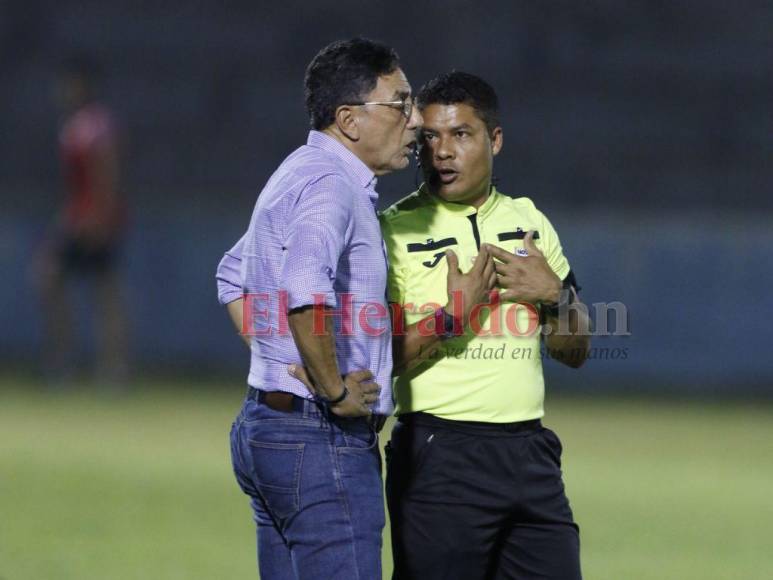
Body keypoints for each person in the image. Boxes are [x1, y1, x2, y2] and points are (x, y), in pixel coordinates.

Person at [219, 38, 421, 579]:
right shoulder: (333, 185)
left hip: (270, 427)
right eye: (400, 103)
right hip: (319, 438)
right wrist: (331, 389)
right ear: (349, 120)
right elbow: (306, 287)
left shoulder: (298, 169)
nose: (416, 119)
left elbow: (233, 277)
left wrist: (278, 356)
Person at [380, 71, 591, 580]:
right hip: (439, 454)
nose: (442, 152)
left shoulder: (530, 221)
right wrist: (450, 319)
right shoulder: (391, 229)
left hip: (530, 453)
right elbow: (375, 361)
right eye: (429, 137)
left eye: (461, 135)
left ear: (494, 139)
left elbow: (575, 350)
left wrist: (556, 299)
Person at [34, 55, 129, 386]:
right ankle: (95, 366)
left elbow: (106, 171)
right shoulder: (75, 124)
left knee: (98, 290)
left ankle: (92, 366)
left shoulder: (94, 124)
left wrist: (100, 217)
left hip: (90, 220)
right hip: (80, 216)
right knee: (98, 289)